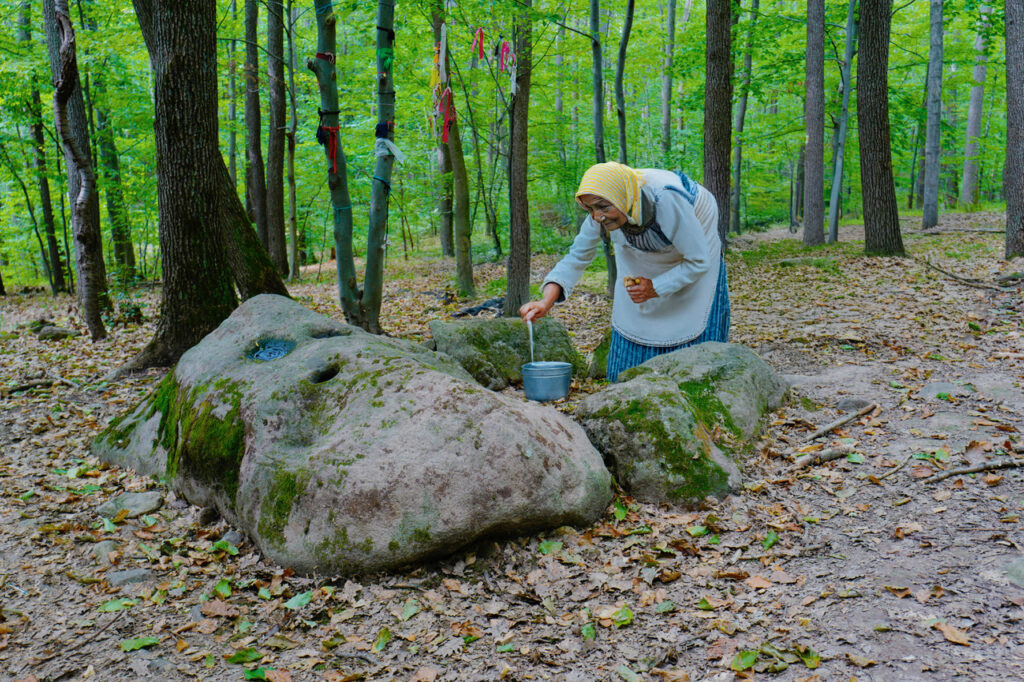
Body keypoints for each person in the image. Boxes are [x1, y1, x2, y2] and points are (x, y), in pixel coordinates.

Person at [519, 162, 730, 382]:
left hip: (694, 242)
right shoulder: (602, 203)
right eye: (590, 209)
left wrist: (656, 287)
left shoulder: (668, 201)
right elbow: (577, 256)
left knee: (690, 319)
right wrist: (546, 302)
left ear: (620, 198)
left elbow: (698, 261)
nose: (597, 217)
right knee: (633, 314)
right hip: (640, 252)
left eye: (603, 208)